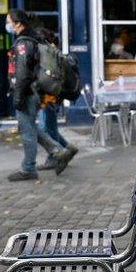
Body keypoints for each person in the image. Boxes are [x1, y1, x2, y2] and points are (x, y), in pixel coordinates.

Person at [6, 8, 73, 181]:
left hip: (27, 92)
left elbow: (23, 73)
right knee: (30, 127)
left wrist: (19, 95)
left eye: (9, 21)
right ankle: (58, 151)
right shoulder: (32, 39)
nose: (7, 25)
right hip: (32, 91)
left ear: (18, 23)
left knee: (27, 132)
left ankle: (28, 168)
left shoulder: (23, 43)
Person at [34, 26, 78, 171]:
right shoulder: (53, 51)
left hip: (47, 96)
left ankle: (56, 156)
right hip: (54, 95)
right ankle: (68, 149)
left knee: (44, 128)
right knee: (50, 128)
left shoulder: (45, 52)